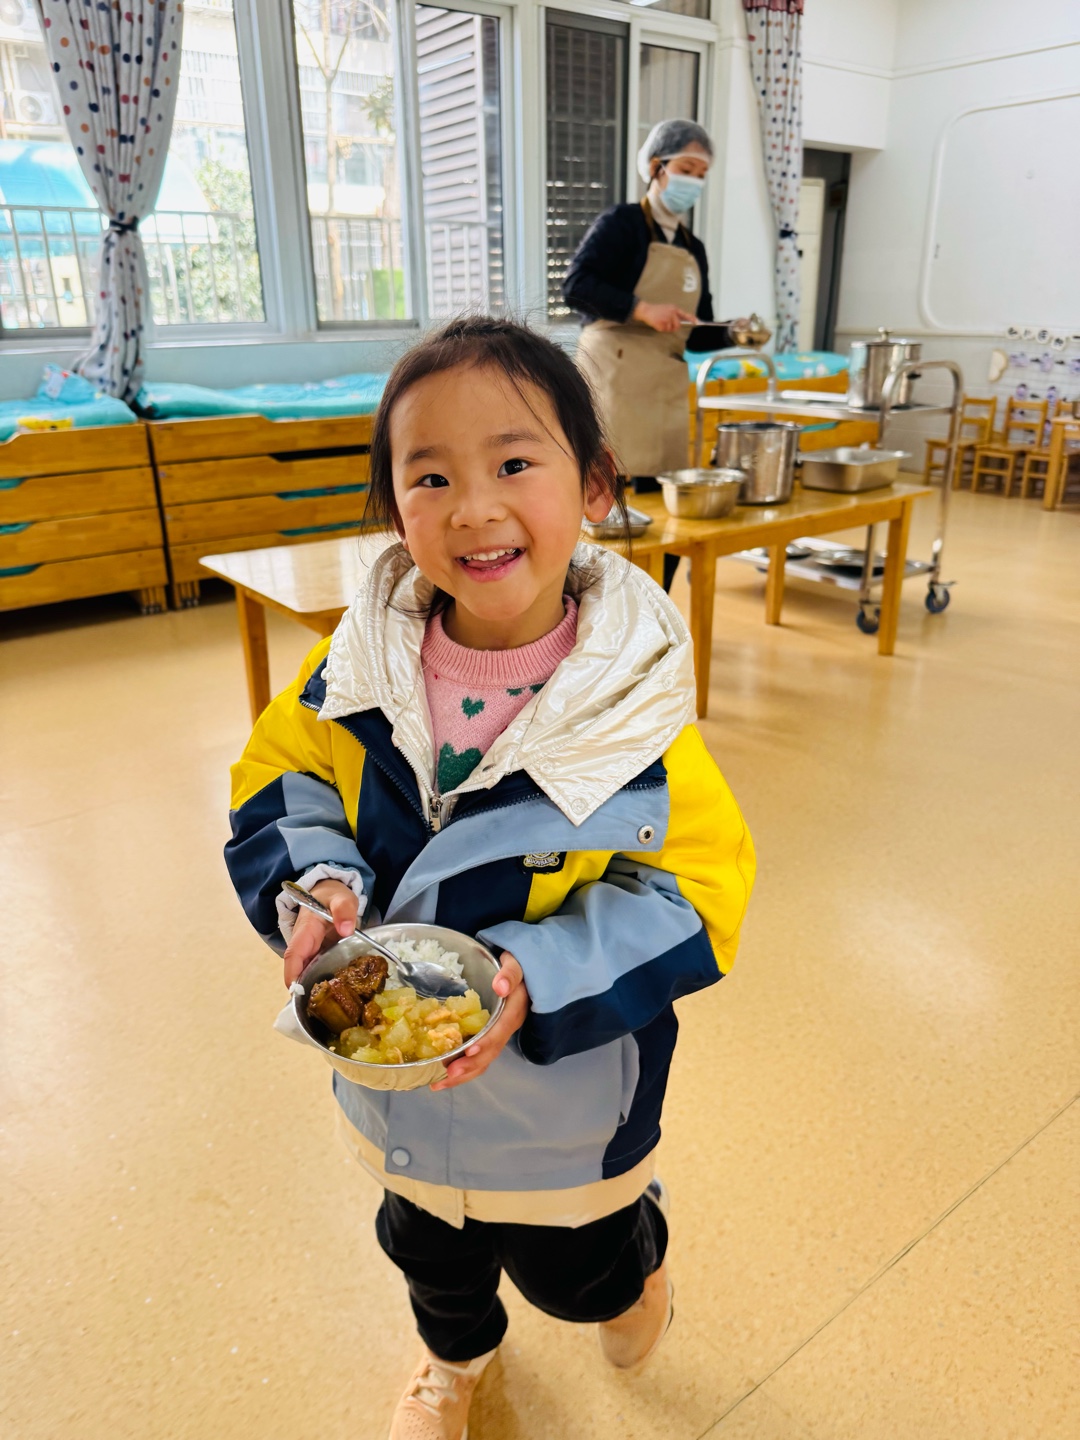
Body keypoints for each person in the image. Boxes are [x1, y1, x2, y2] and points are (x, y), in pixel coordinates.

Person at [225, 317, 755, 1440]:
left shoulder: (632, 706)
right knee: (424, 1247)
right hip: (399, 1085)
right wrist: (318, 878)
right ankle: (452, 1361)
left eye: (514, 463)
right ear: (394, 506)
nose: (473, 507)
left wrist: (535, 974)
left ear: (595, 484)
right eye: (430, 477)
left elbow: (698, 893)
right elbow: (280, 774)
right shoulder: (354, 664)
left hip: (566, 1095)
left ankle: (638, 1268)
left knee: (578, 1273)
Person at [565, 118, 744, 589]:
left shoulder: (693, 247)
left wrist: (734, 333)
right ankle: (601, 606)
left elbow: (696, 333)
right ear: (656, 167)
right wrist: (642, 309)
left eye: (701, 175)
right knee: (611, 507)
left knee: (668, 513)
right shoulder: (622, 224)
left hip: (663, 387)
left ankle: (656, 604)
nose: (694, 182)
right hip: (614, 377)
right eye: (686, 169)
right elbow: (576, 286)